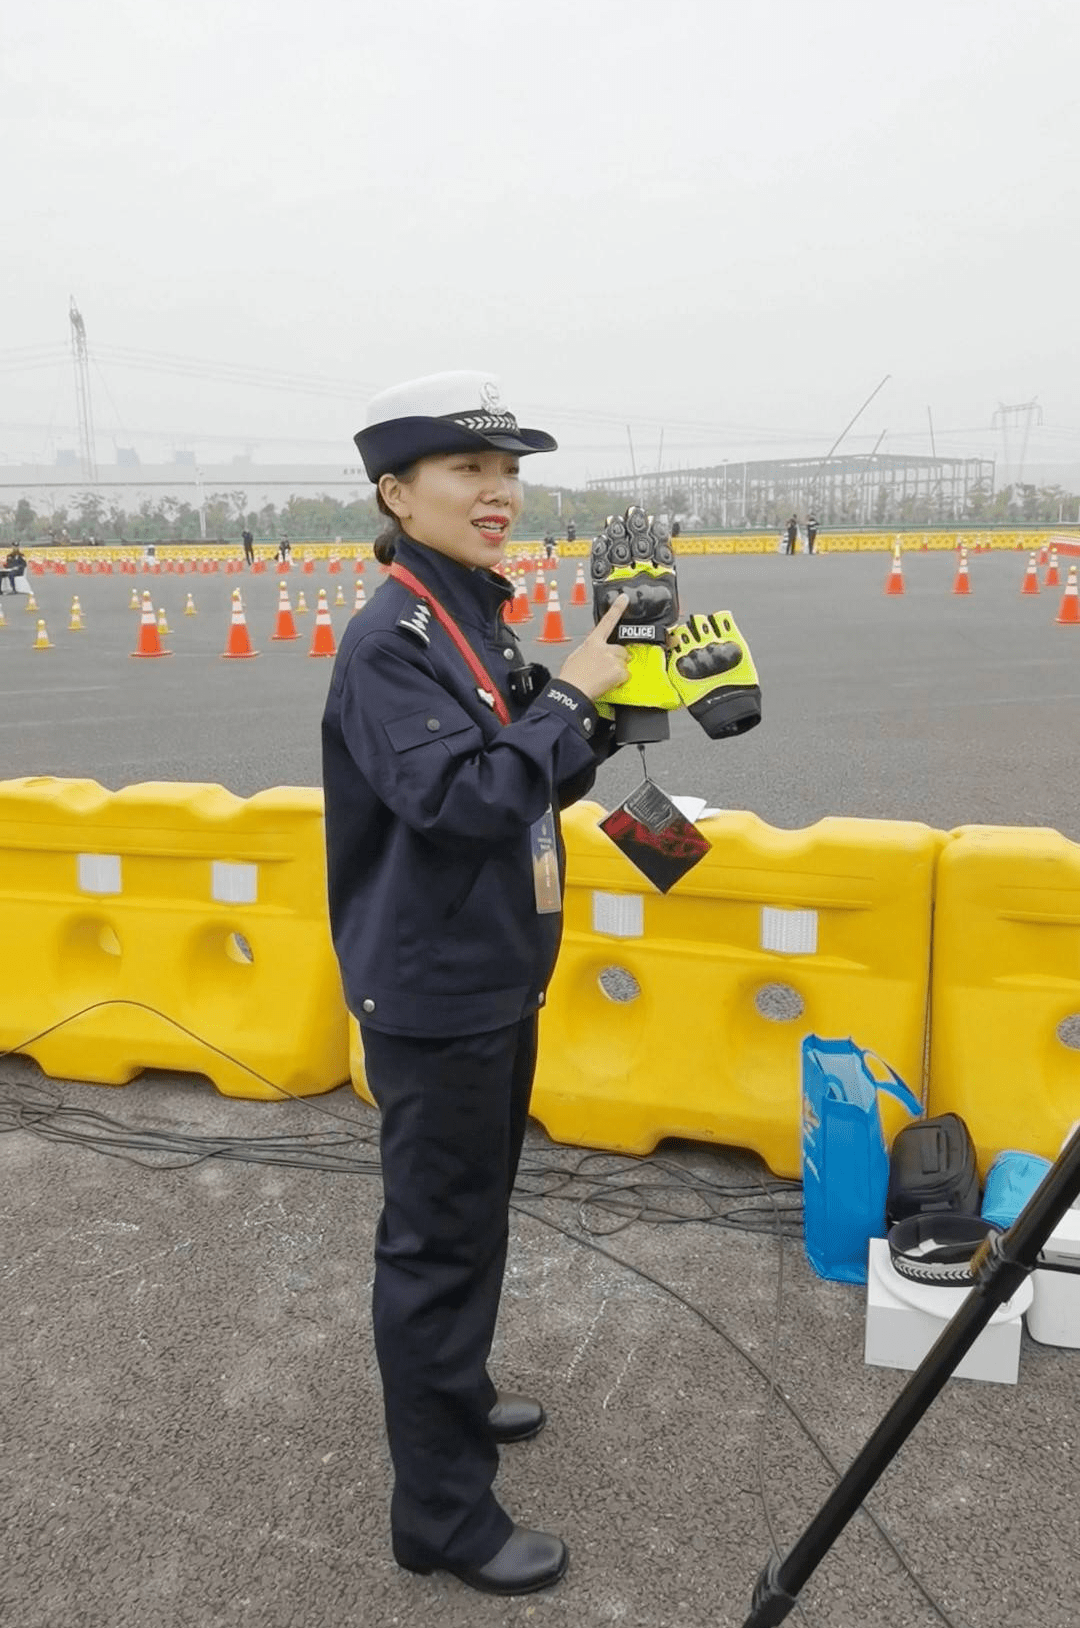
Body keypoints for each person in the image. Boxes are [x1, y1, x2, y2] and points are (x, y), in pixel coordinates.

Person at [322, 371, 629, 1598]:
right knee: (437, 1244)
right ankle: (439, 1514)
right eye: (468, 471)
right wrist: (568, 695)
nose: (499, 492)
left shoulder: (472, 612)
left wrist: (607, 706)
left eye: (508, 472)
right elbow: (462, 800)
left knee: (474, 1218)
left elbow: (529, 768)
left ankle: (456, 1394)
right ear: (396, 493)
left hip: (493, 968)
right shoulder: (389, 639)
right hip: (439, 985)